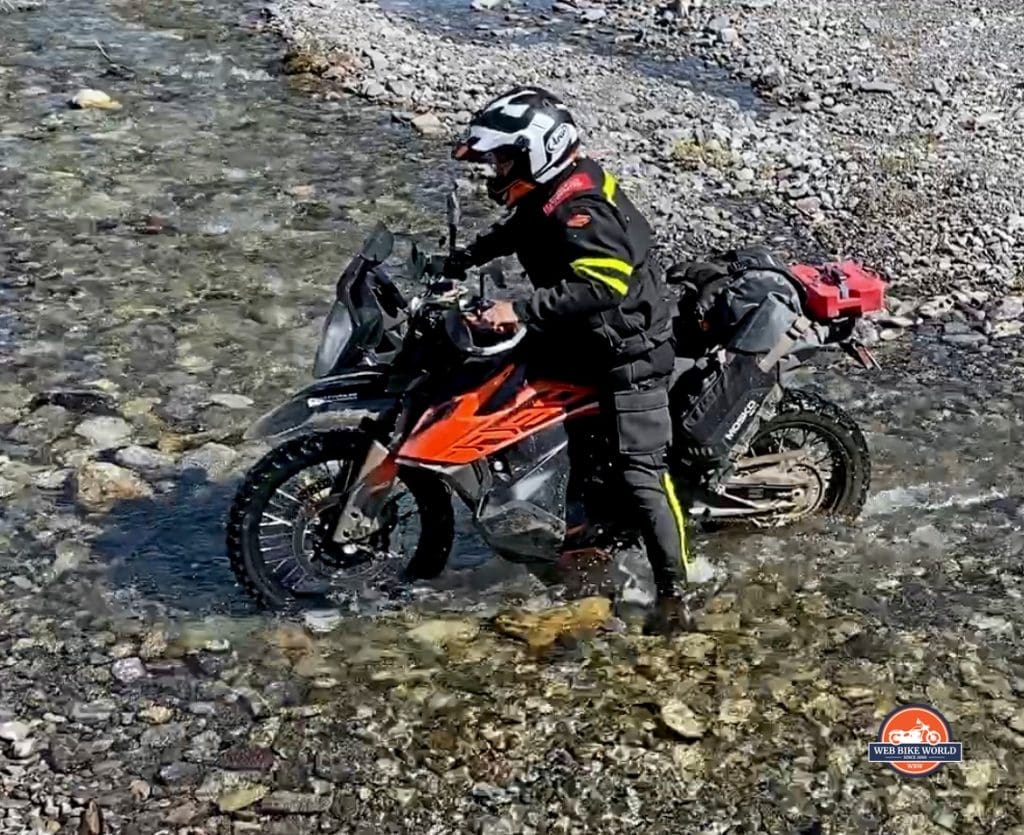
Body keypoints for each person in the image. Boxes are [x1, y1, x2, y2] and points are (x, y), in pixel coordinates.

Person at [446, 85, 692, 635]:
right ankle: (577, 526)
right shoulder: (552, 191)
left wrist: (520, 308)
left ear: (539, 151)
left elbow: (604, 285)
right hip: (583, 339)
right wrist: (463, 258)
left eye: (504, 159)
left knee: (640, 474)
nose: (495, 170)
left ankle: (675, 595)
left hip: (628, 351)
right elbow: (525, 227)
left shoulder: (581, 207)